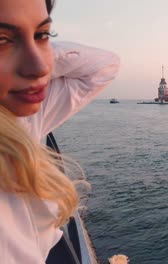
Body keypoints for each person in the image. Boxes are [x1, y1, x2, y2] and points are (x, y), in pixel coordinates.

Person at [0, 0, 120, 262]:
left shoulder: (22, 116)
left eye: (42, 34)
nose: (41, 68)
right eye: (2, 40)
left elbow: (103, 67)